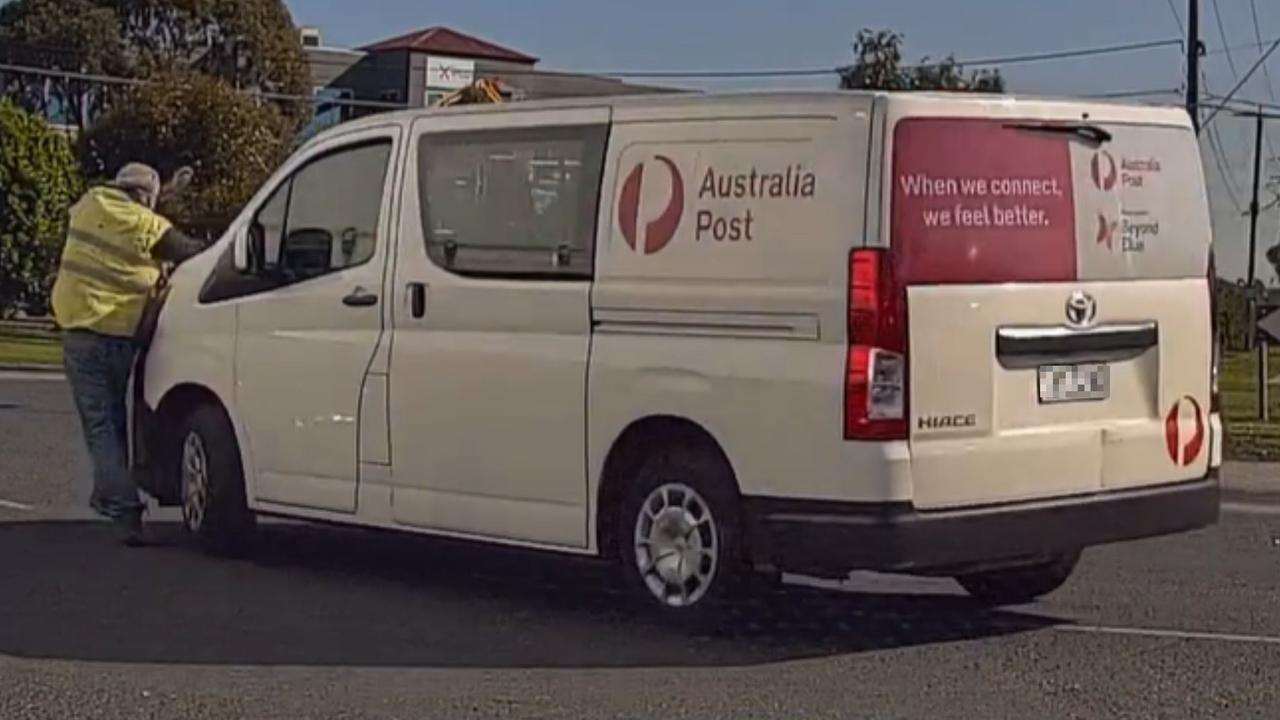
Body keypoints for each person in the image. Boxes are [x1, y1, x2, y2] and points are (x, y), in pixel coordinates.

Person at [52, 163, 206, 545]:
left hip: (79, 332)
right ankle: (116, 498)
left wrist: (165, 193)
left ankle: (119, 502)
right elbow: (189, 251)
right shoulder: (148, 226)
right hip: (121, 335)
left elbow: (125, 213)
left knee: (100, 425)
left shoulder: (87, 205)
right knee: (115, 421)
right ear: (145, 198)